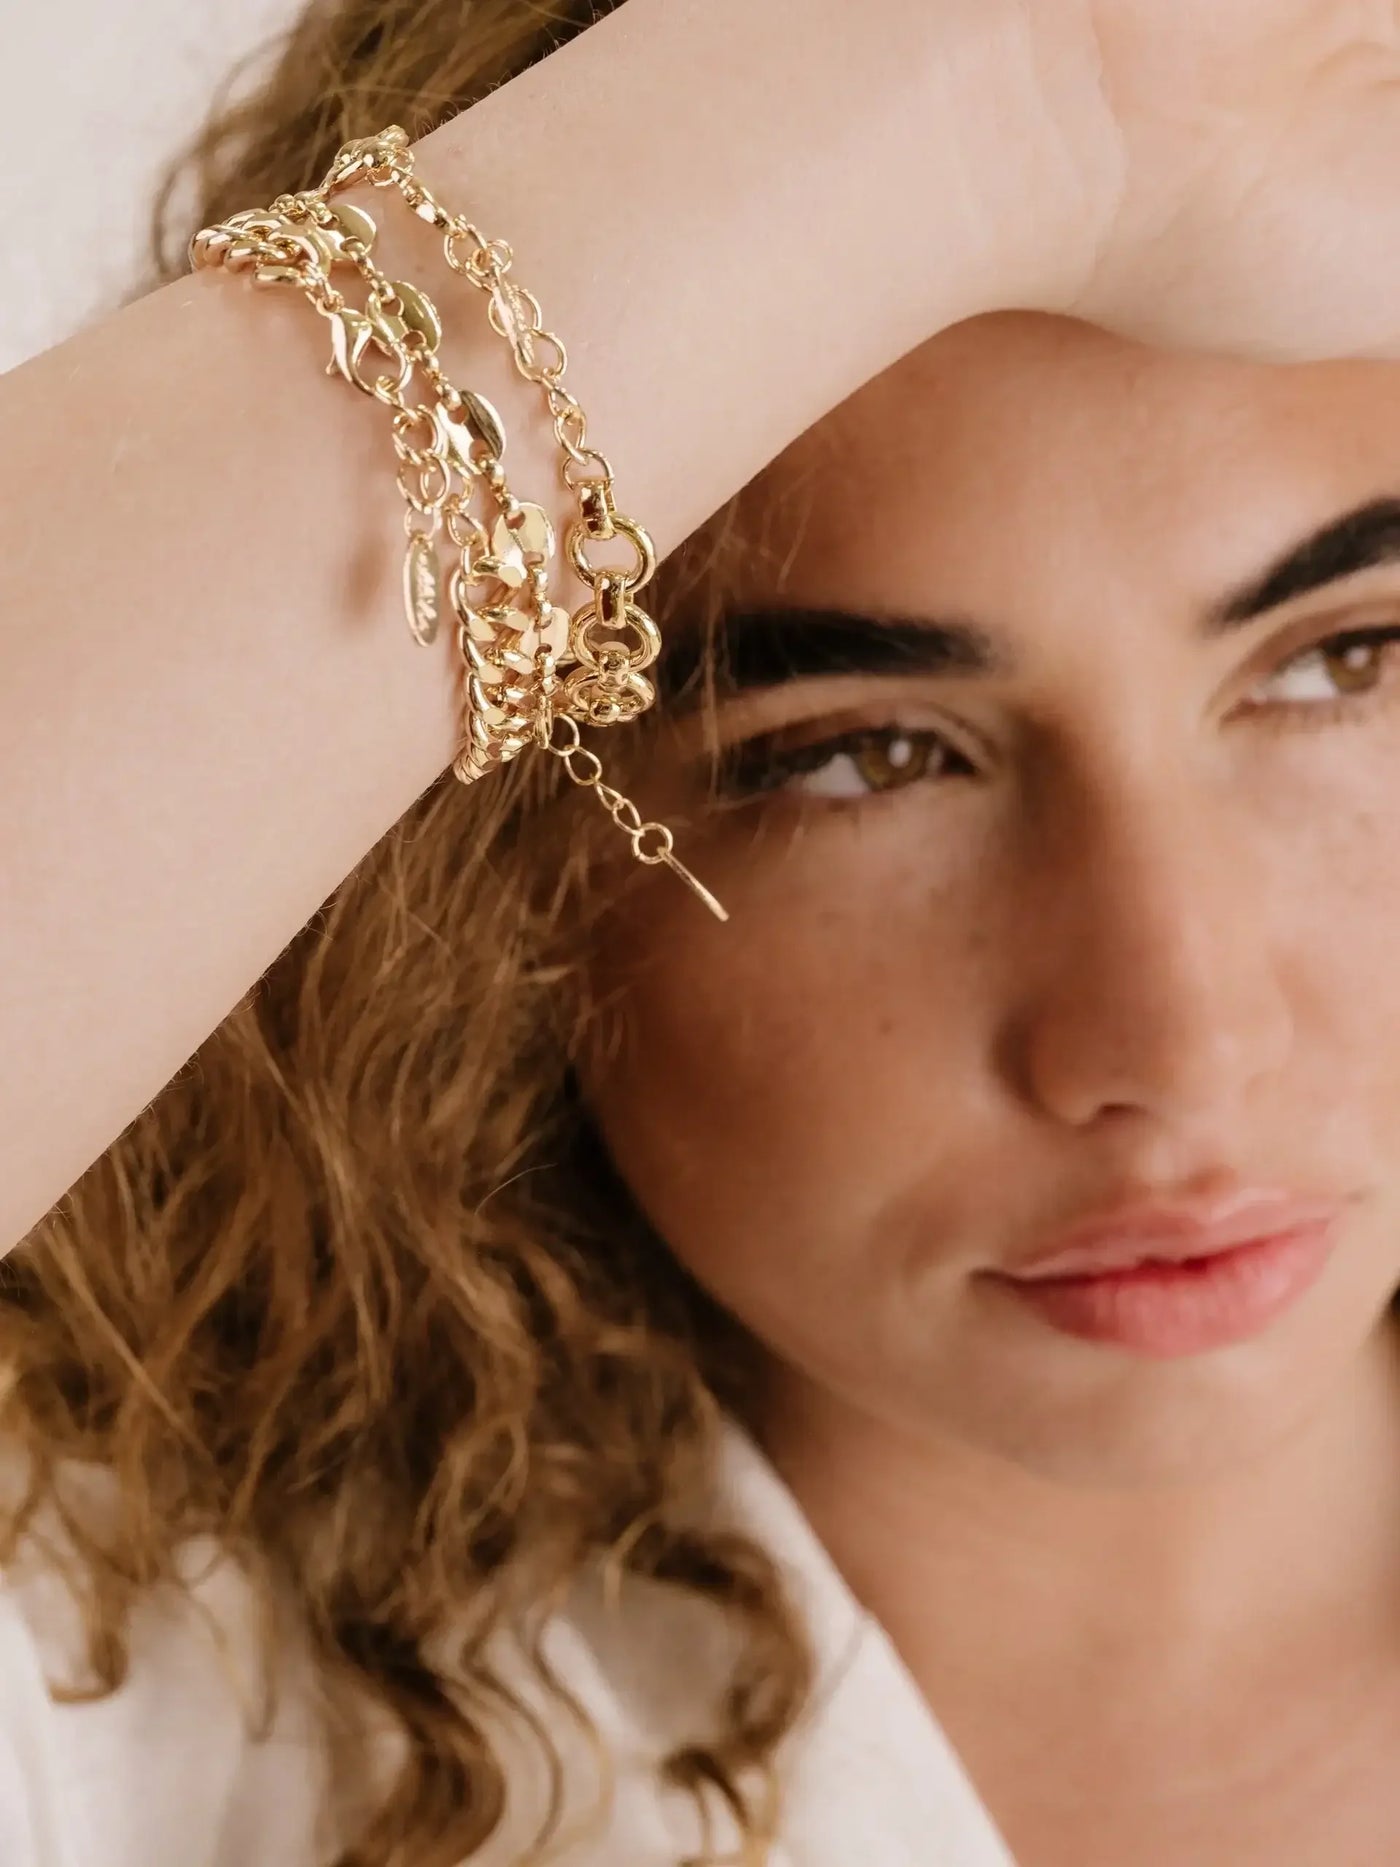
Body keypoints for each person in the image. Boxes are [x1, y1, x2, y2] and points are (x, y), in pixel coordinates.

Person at [5, 0, 1400, 1862]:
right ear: (462, 877)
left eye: (1347, 664)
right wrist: (1035, 79)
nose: (1179, 1039)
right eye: (862, 759)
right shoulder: (123, 1688)